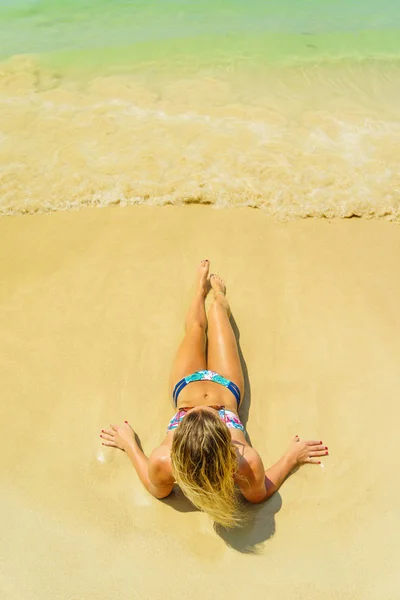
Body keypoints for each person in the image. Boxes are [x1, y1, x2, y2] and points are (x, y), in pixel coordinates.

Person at [100, 260, 328, 528]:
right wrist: (292, 456)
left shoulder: (164, 458)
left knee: (195, 330)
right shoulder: (244, 461)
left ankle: (203, 292)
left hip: (186, 384)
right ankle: (214, 296)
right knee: (218, 317)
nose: (203, 409)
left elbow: (154, 486)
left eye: (189, 416)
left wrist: (131, 445)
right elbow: (260, 492)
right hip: (226, 385)